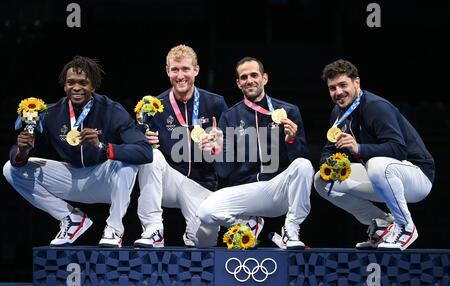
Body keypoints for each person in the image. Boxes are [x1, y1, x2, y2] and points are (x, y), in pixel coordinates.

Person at [3, 56, 153, 248]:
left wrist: (102, 147)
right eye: (70, 82)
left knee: (126, 164)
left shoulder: (111, 110)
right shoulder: (51, 113)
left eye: (83, 83)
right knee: (11, 169)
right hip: (71, 177)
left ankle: (114, 228)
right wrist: (23, 151)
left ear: (93, 86)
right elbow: (19, 155)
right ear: (64, 86)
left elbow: (144, 152)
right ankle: (71, 219)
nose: (76, 88)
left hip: (104, 179)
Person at [314, 59, 434, 251]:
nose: (338, 92)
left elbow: (398, 149)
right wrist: (329, 164)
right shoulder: (338, 113)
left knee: (376, 164)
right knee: (322, 180)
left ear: (357, 82)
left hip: (416, 175)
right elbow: (329, 150)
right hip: (381, 177)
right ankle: (383, 225)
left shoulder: (376, 106)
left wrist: (359, 149)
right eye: (332, 88)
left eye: (343, 85)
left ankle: (406, 227)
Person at [195, 57, 314, 249]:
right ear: (238, 83)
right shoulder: (229, 116)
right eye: (244, 77)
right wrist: (216, 149)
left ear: (264, 78)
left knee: (304, 165)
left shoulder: (288, 111)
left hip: (277, 189)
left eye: (254, 75)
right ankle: (248, 225)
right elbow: (224, 172)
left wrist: (291, 141)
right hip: (246, 192)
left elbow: (302, 165)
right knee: (205, 212)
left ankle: (290, 230)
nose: (249, 80)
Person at [134, 45, 228, 248]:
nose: (180, 75)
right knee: (151, 156)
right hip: (170, 180)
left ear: (196, 70)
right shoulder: (153, 106)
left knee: (205, 243)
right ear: (167, 71)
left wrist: (219, 144)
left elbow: (229, 156)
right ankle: (153, 228)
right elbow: (134, 142)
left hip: (201, 185)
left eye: (185, 69)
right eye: (175, 70)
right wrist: (143, 138)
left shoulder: (215, 104)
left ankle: (193, 232)